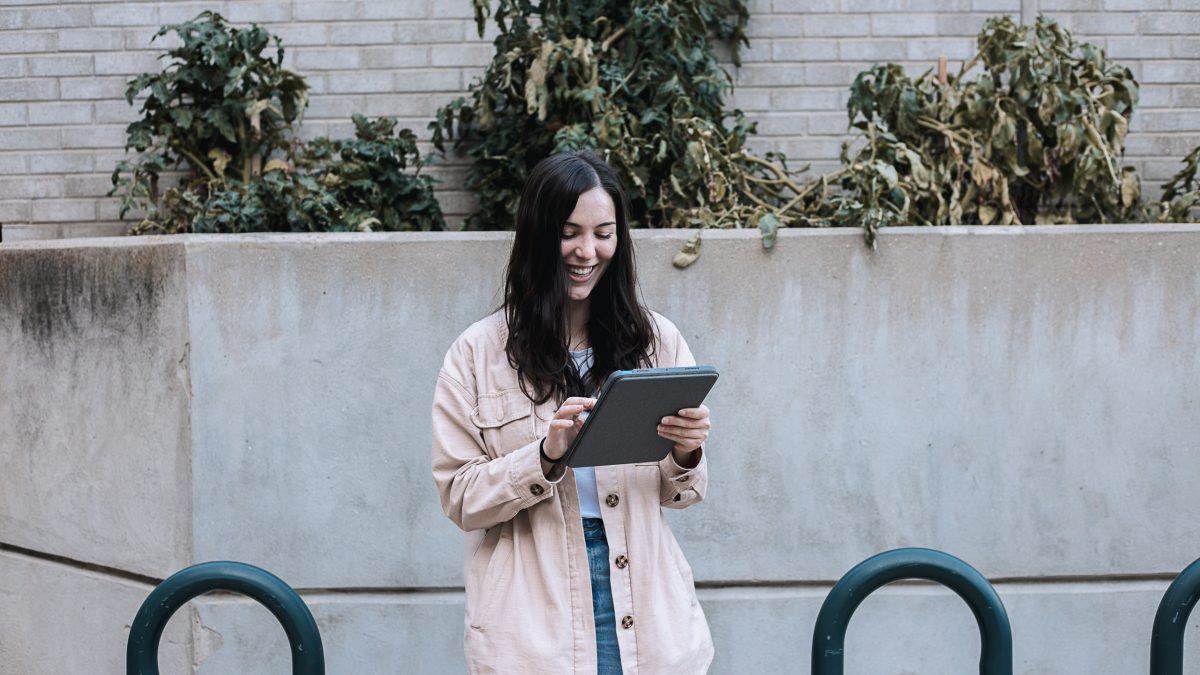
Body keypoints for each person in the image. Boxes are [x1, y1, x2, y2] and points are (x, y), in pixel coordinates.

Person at [431, 150, 714, 675]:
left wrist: (686, 449)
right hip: (535, 622)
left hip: (649, 610)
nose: (587, 251)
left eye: (603, 233)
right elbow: (460, 497)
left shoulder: (657, 341)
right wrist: (543, 456)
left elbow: (684, 493)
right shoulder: (476, 353)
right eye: (569, 232)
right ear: (538, 236)